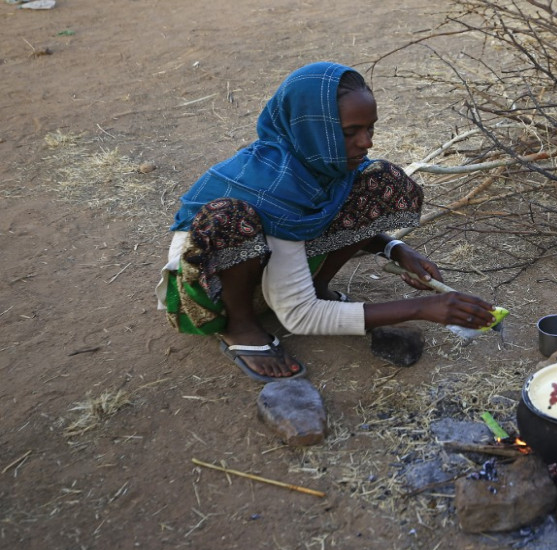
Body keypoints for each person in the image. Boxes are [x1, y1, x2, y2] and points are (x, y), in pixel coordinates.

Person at [155, 62, 496, 382]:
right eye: (350, 132)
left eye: (369, 128)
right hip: (210, 294)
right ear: (311, 129)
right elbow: (301, 317)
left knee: (381, 181)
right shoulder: (275, 189)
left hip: (271, 266)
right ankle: (241, 327)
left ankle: (317, 285)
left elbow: (350, 210)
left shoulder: (319, 163)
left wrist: (395, 248)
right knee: (230, 218)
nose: (367, 142)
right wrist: (423, 308)